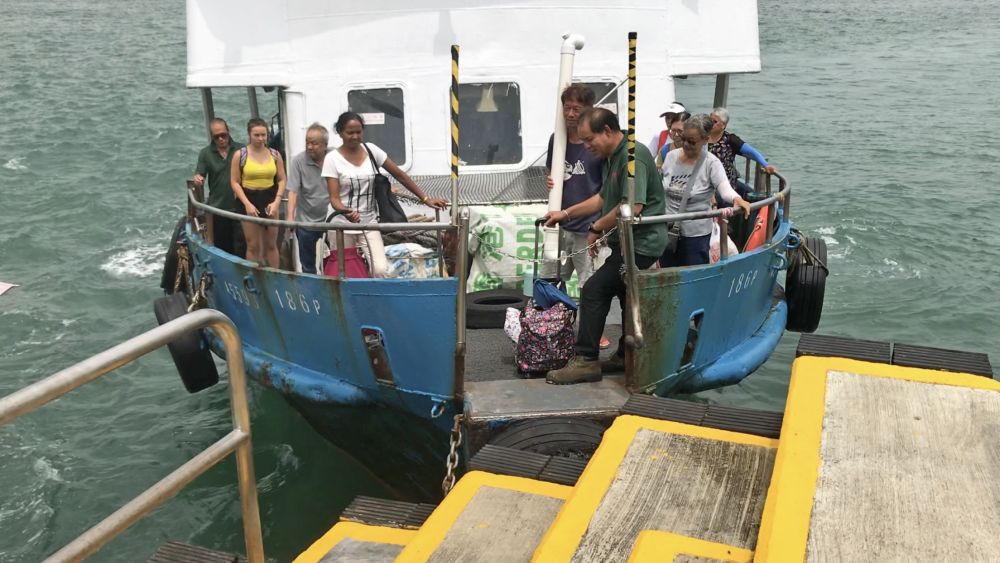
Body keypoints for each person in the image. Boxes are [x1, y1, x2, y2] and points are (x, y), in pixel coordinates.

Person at [542, 107, 667, 385]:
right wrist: (566, 213)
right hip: (626, 241)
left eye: (589, 140)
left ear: (607, 131)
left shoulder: (634, 156)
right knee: (625, 297)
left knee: (594, 289)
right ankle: (626, 354)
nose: (586, 147)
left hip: (642, 244)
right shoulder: (613, 156)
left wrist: (596, 227)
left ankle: (586, 360)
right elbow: (602, 198)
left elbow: (632, 206)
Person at [322, 112, 447, 277]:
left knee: (380, 269)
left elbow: (400, 175)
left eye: (359, 132)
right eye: (350, 132)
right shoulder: (332, 159)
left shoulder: (371, 150)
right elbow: (334, 199)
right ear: (339, 132)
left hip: (369, 222)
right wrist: (346, 212)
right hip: (342, 224)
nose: (355, 136)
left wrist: (425, 199)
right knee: (346, 272)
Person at [660, 114, 751, 267]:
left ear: (705, 139)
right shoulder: (670, 157)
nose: (686, 145)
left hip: (695, 236)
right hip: (667, 230)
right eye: (684, 139)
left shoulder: (711, 163)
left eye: (692, 142)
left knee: (694, 275)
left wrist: (738, 199)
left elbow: (724, 188)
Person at [544, 84, 603, 287]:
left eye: (576, 109)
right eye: (566, 108)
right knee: (549, 280)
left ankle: (587, 319)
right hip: (559, 225)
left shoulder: (597, 143)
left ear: (589, 109)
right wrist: (550, 179)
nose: (570, 114)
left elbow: (605, 188)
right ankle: (554, 319)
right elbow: (550, 169)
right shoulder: (556, 140)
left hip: (588, 228)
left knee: (588, 283)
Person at [229, 118, 286, 267]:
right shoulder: (240, 155)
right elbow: (234, 181)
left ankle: (274, 276)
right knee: (253, 245)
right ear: (249, 135)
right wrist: (247, 204)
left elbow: (282, 179)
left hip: (270, 198)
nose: (261, 139)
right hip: (248, 198)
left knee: (271, 245)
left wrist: (277, 202)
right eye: (257, 135)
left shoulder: (275, 155)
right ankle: (254, 277)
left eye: (264, 135)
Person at [192, 118, 244, 256]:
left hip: (240, 207)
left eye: (223, 135)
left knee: (242, 249)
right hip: (218, 208)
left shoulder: (241, 150)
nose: (221, 139)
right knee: (223, 249)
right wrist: (198, 178)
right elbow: (199, 174)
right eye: (216, 137)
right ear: (212, 137)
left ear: (228, 132)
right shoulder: (205, 154)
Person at [287, 123, 332, 273]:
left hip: (332, 221)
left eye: (314, 143)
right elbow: (293, 191)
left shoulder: (334, 157)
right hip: (306, 222)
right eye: (307, 142)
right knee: (308, 264)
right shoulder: (298, 161)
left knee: (334, 261)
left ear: (325, 145)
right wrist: (290, 217)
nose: (310, 146)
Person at [707, 107, 778, 197]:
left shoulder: (730, 139)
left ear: (723, 125)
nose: (710, 124)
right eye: (709, 120)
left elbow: (751, 151)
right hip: (705, 181)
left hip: (724, 183)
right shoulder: (701, 137)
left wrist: (766, 165)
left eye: (715, 122)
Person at [646, 101, 687, 169]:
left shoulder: (695, 141)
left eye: (674, 117)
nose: (669, 121)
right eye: (667, 117)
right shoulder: (659, 137)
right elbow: (646, 160)